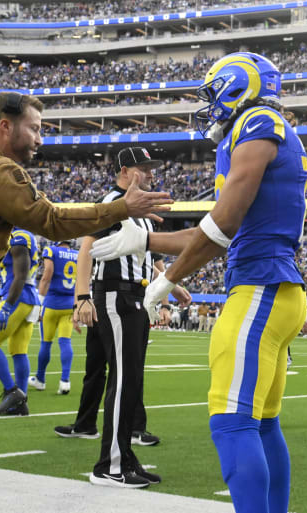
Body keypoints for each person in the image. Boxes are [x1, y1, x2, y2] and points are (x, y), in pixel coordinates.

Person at [0, 92, 171, 513]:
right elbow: (51, 221)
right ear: (6, 125)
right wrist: (119, 207)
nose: (41, 138)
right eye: (36, 128)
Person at [94, 52, 307, 512]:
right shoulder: (261, 130)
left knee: (231, 422)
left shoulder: (258, 123)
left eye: (213, 96)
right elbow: (211, 229)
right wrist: (145, 240)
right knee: (262, 424)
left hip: (260, 288)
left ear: (237, 89)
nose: (210, 107)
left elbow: (222, 224)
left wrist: (166, 280)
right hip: (275, 287)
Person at [60, 146, 187, 489]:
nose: (150, 174)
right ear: (126, 171)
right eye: (144, 168)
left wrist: (170, 284)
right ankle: (110, 465)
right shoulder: (113, 202)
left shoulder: (139, 208)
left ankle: (125, 457)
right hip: (115, 293)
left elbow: (149, 251)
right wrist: (82, 297)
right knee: (121, 379)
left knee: (130, 379)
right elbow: (87, 247)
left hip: (136, 293)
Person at [0, 228, 42, 415]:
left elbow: (20, 276)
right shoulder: (21, 236)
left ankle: (11, 391)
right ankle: (19, 404)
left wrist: (6, 308)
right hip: (31, 299)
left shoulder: (19, 237)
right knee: (18, 350)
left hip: (17, 298)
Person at [35, 239, 79, 395]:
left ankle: (40, 379)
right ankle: (65, 381)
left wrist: (39, 302)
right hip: (69, 305)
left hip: (52, 304)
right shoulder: (78, 254)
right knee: (65, 341)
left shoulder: (51, 250)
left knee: (46, 343)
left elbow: (47, 275)